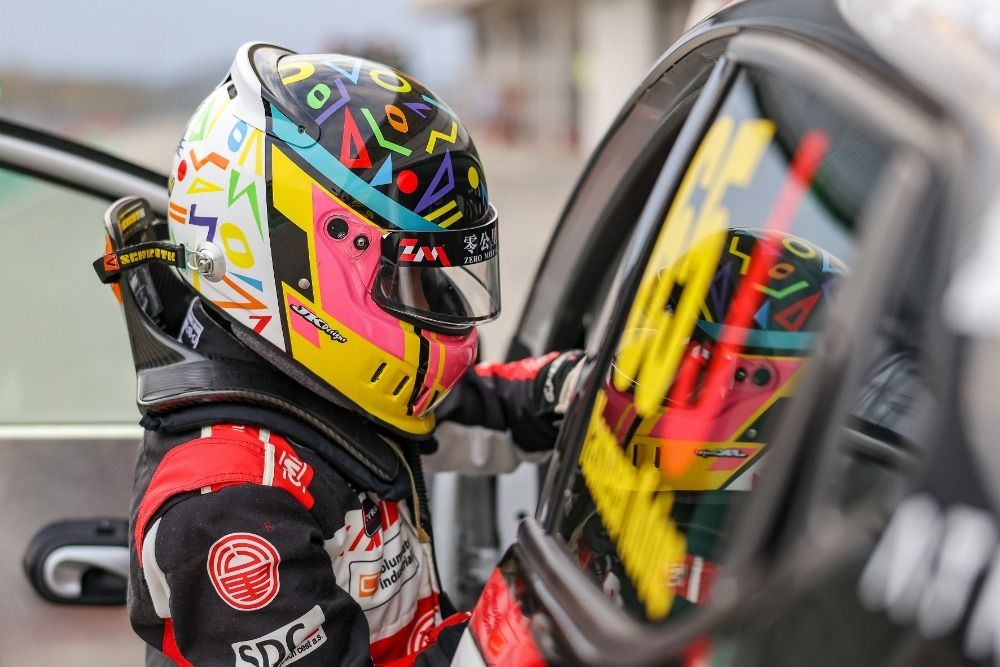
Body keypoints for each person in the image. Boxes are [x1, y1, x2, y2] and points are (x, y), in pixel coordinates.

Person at [94, 43, 583, 666]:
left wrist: (588, 390)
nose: (439, 301)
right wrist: (520, 632)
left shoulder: (321, 385)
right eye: (411, 278)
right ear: (296, 264)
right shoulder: (226, 504)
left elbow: (475, 408)